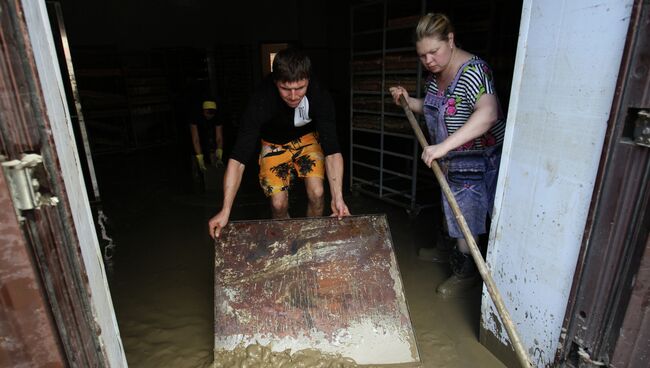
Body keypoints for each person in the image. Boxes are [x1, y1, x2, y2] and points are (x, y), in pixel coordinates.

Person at [389, 13, 506, 297]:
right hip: (451, 159)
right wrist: (408, 101)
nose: (428, 60)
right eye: (422, 56)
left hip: (476, 160)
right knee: (449, 209)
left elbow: (489, 114)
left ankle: (465, 272)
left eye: (434, 52)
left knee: (466, 215)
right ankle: (446, 250)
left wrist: (442, 147)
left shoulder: (473, 71)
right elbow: (434, 108)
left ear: (450, 40)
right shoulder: (436, 75)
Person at [208, 48, 350, 238]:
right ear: (276, 82)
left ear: (308, 79)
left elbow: (332, 150)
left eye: (299, 88)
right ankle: (287, 243)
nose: (293, 96)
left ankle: (310, 239)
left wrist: (338, 198)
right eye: (285, 89)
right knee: (278, 203)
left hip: (306, 138)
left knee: (317, 193)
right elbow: (238, 158)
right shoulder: (261, 99)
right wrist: (225, 210)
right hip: (273, 142)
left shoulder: (319, 94)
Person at [190, 100, 224, 171]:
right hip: (198, 135)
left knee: (212, 149)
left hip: (209, 134)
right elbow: (195, 139)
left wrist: (219, 155)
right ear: (203, 110)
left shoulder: (217, 117)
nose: (210, 115)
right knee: (196, 162)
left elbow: (219, 138)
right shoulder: (195, 116)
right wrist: (200, 160)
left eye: (212, 113)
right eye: (208, 112)